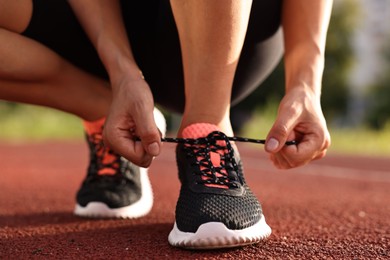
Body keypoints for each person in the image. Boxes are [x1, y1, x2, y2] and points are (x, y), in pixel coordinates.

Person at [0, 0, 332, 249]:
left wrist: (306, 83)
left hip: (233, 28)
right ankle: (105, 110)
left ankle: (207, 130)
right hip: (106, 31)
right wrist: (122, 74)